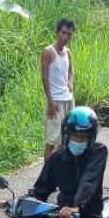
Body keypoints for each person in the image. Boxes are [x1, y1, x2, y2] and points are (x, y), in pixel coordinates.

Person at [7, 106, 108, 218]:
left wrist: (77, 207)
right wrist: (15, 203)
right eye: (74, 135)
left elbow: (89, 180)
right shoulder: (56, 158)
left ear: (91, 138)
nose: (78, 140)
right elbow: (40, 191)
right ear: (66, 135)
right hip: (61, 217)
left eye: (83, 137)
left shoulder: (98, 152)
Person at [42, 19, 76, 158]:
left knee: (66, 139)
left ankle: (61, 174)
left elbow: (71, 69)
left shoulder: (67, 52)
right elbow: (44, 77)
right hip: (55, 102)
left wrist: (70, 82)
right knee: (51, 141)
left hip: (69, 100)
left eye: (69, 34)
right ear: (57, 32)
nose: (66, 37)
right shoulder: (48, 52)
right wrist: (50, 101)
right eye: (63, 33)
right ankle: (47, 177)